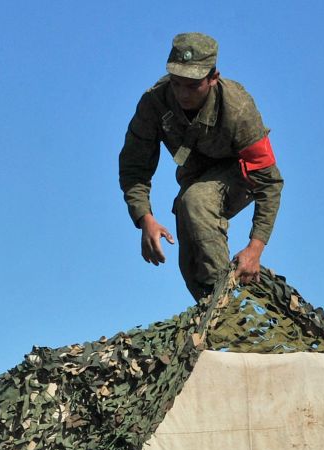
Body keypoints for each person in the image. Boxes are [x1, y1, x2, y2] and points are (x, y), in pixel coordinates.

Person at [118, 32, 283, 300]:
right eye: (176, 83)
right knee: (190, 252)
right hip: (193, 177)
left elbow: (269, 181)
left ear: (213, 78)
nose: (182, 93)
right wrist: (144, 218)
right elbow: (133, 167)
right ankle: (208, 312)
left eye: (192, 85)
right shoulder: (154, 103)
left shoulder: (238, 108)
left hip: (240, 175)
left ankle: (226, 309)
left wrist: (255, 248)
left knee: (196, 201)